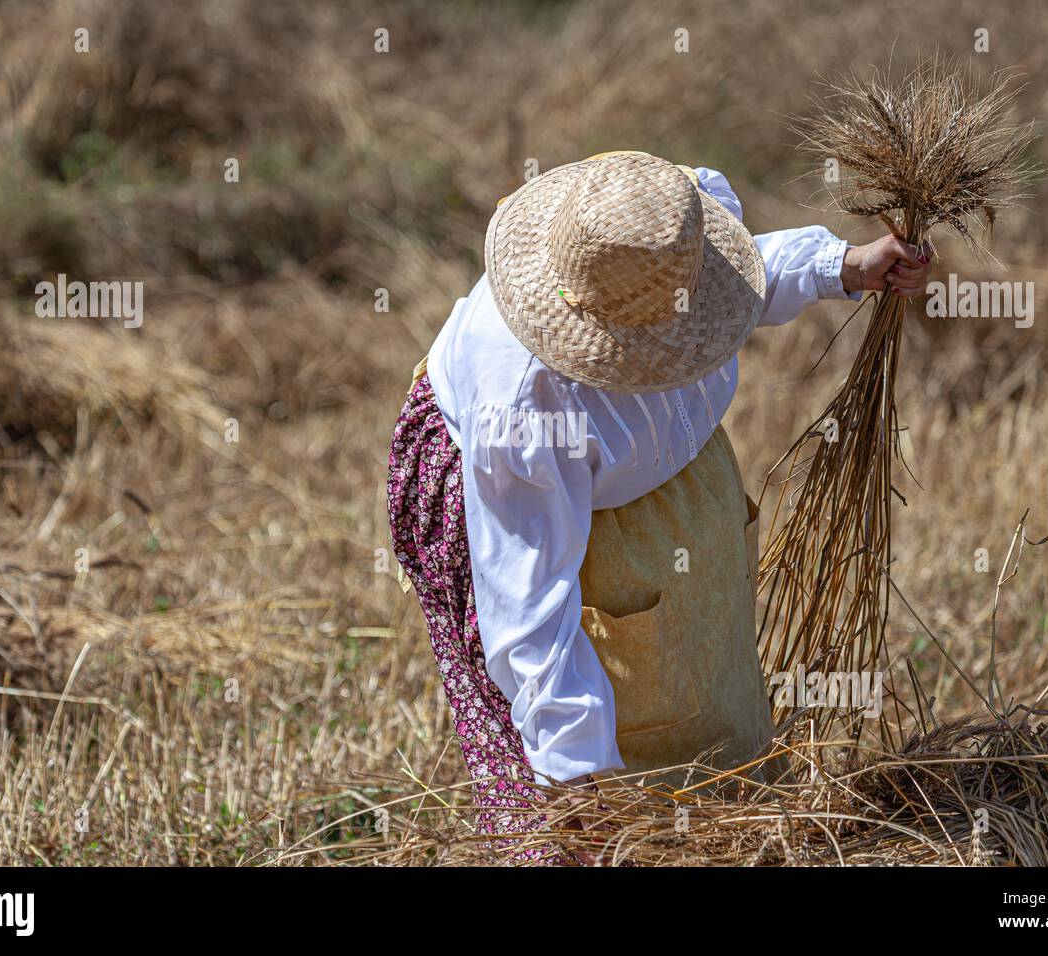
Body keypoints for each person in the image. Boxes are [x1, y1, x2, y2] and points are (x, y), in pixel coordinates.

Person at [387, 151, 930, 845]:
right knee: (599, 749)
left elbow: (726, 279)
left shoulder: (656, 230)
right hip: (523, 512)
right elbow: (526, 604)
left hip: (650, 478)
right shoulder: (526, 405)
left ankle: (716, 820)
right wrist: (581, 779)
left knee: (692, 675)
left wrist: (841, 265)